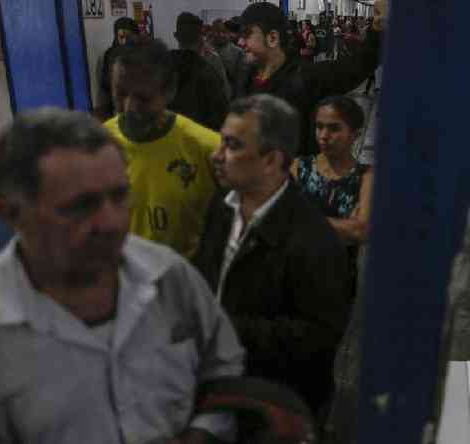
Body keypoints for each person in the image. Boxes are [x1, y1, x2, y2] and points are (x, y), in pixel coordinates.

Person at [0, 108, 245, 443]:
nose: (111, 222)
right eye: (80, 205)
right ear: (11, 214)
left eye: (120, 195)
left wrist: (202, 433)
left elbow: (224, 368)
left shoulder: (169, 276)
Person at [194, 94, 351, 415]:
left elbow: (318, 338)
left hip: (272, 406)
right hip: (215, 385)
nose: (216, 155)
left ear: (271, 160)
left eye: (232, 146)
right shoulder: (222, 208)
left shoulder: (313, 239)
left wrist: (222, 327)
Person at [106, 40, 220, 260]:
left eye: (143, 97)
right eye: (120, 94)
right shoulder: (98, 146)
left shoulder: (207, 148)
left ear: (170, 90)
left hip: (187, 284)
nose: (129, 107)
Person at [232, 1, 386, 156]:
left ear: (272, 38)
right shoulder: (245, 78)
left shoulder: (305, 77)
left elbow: (359, 65)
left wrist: (378, 28)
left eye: (247, 34)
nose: (240, 42)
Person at [292, 96, 373, 245]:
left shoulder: (366, 177)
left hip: (339, 266)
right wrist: (344, 226)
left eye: (334, 128)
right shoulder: (298, 167)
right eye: (319, 127)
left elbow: (361, 231)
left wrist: (302, 217)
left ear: (355, 134)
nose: (323, 136)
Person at [170, 12, 230, 130]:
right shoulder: (212, 61)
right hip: (205, 132)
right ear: (201, 37)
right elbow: (224, 97)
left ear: (175, 36)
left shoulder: (164, 65)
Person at [97, 17, 139, 120]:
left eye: (128, 36)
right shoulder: (107, 56)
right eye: (121, 36)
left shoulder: (144, 54)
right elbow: (103, 88)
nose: (124, 41)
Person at [209, 19, 246, 91]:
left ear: (229, 33)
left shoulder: (238, 53)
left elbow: (240, 82)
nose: (221, 35)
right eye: (217, 31)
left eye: (224, 32)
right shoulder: (204, 50)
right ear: (212, 31)